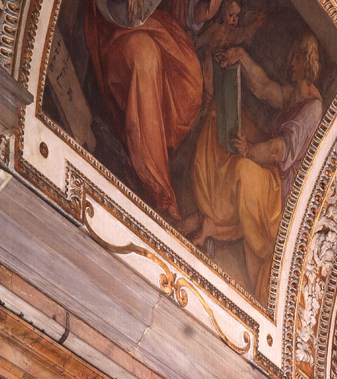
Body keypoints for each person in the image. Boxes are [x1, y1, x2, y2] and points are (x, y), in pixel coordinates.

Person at [188, 31, 323, 297]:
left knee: (243, 169)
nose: (290, 63)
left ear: (305, 61)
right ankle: (214, 214)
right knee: (225, 123)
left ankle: (224, 226)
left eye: (295, 58)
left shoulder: (313, 107)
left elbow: (280, 150)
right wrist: (240, 56)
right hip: (270, 173)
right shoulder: (295, 95)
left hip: (280, 191)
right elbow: (264, 88)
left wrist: (249, 151)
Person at [83, 0, 221, 222]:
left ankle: (151, 141)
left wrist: (197, 12)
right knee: (145, 56)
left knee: (191, 81)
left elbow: (180, 10)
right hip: (114, 28)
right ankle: (156, 184)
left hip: (156, 25)